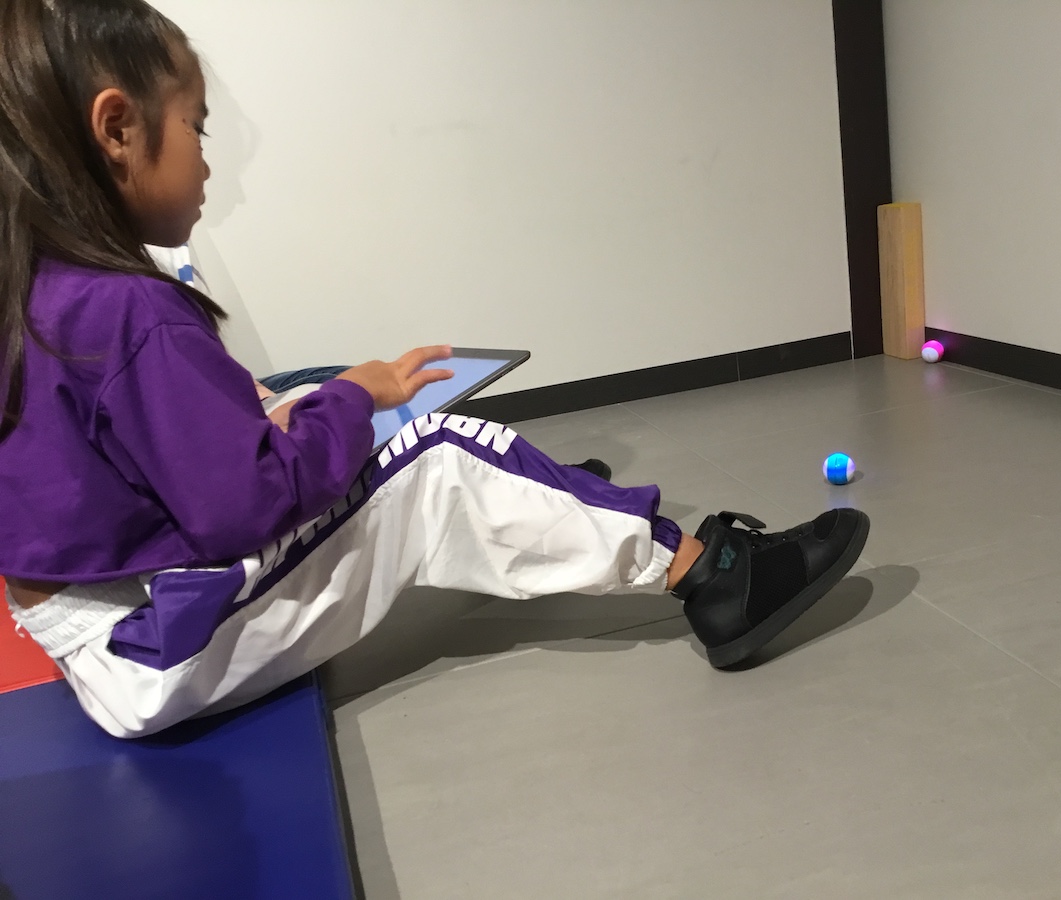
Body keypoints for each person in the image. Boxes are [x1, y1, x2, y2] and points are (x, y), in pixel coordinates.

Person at [0, 0, 869, 739]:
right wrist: (354, 397)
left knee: (313, 406)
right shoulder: (129, 310)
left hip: (108, 624)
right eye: (196, 127)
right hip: (149, 644)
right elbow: (242, 511)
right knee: (440, 457)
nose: (207, 159)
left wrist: (291, 412)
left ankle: (546, 499)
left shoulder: (43, 292)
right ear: (117, 129)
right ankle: (713, 578)